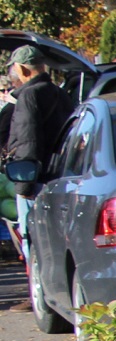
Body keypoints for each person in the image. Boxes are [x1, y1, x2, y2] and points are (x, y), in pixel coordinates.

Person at [6, 45, 76, 263]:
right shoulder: (60, 93)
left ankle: (39, 290)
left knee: (33, 240)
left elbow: (29, 140)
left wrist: (24, 185)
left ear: (22, 69)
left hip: (35, 180)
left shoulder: (28, 96)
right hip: (60, 177)